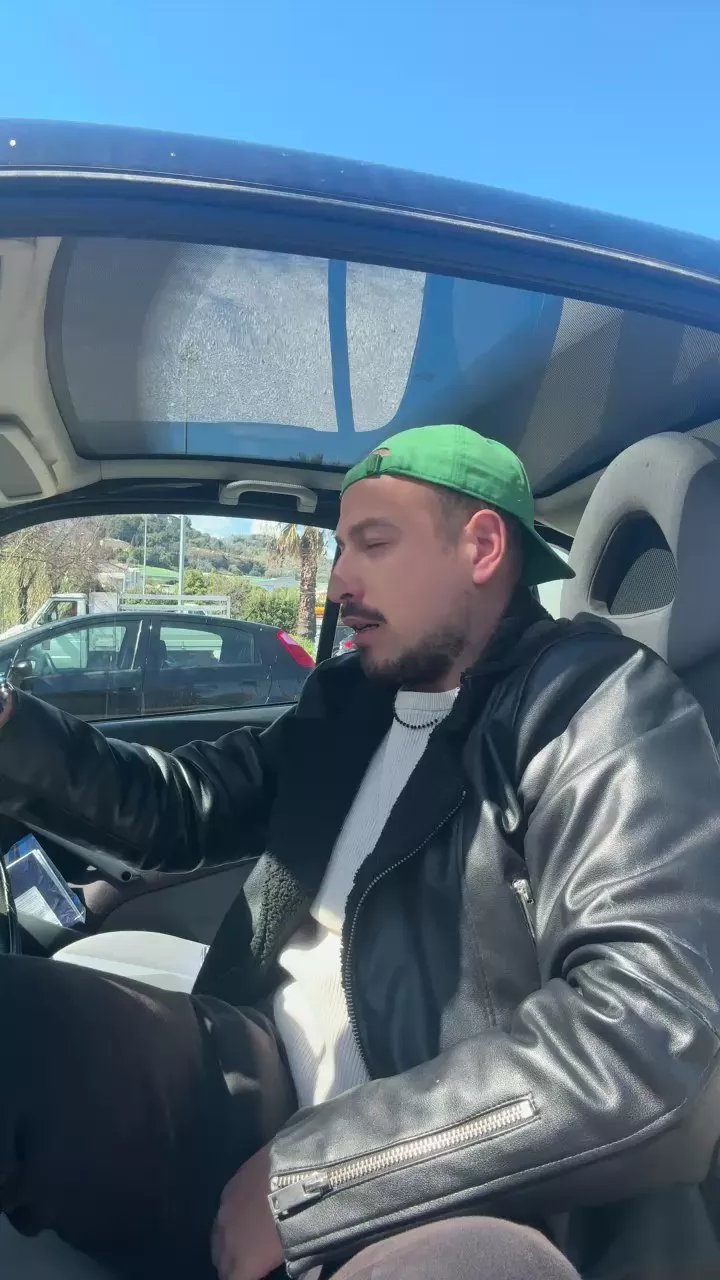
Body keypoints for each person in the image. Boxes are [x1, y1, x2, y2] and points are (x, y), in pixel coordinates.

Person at [0, 423, 719, 1280]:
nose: (340, 580)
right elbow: (183, 806)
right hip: (260, 1080)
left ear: (482, 547)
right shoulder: (350, 699)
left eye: (373, 544)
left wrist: (315, 1181)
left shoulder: (599, 709)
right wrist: (12, 731)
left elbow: (642, 1040)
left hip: (449, 1178)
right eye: (342, 547)